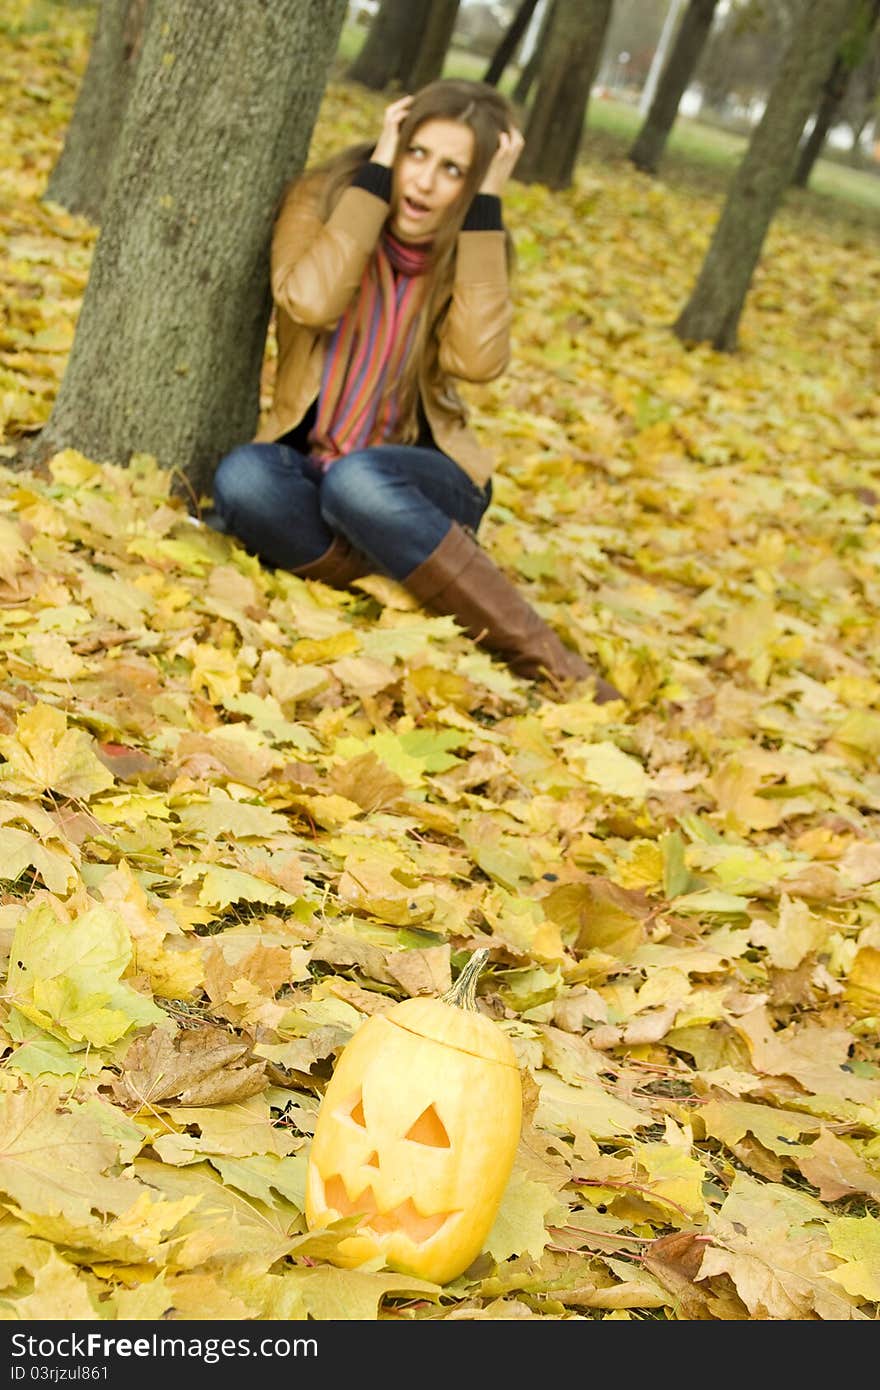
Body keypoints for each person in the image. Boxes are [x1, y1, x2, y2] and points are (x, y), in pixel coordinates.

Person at [209, 79, 621, 702]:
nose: (425, 182)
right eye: (417, 154)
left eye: (453, 169)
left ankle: (548, 660)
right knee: (242, 480)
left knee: (360, 483)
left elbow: (477, 363)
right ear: (394, 146)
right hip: (310, 462)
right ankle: (409, 574)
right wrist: (374, 183)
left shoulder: (474, 243)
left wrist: (484, 216)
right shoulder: (324, 201)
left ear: (475, 184)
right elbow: (310, 301)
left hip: (417, 477)